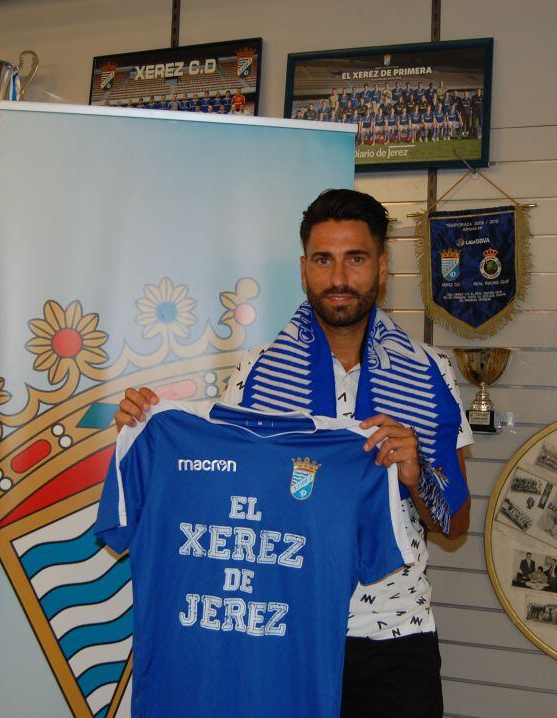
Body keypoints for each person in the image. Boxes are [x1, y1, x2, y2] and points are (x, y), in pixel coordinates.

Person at [114, 189, 472, 718]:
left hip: (393, 634)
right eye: (324, 260)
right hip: (281, 632)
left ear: (382, 266)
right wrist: (145, 429)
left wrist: (417, 476)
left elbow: (457, 525)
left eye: (356, 258)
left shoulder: (431, 373)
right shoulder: (255, 373)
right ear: (303, 268)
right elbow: (216, 489)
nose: (339, 278)